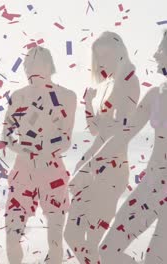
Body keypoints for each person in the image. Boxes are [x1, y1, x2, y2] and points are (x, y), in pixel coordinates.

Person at [64, 31, 140, 264]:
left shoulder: (129, 80)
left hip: (111, 168)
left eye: (107, 54)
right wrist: (88, 104)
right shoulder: (106, 84)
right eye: (99, 57)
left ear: (120, 51)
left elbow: (120, 132)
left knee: (95, 243)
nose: (103, 61)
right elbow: (97, 130)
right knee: (72, 235)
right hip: (93, 165)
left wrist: (87, 168)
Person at [96, 30, 167, 264]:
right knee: (107, 251)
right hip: (151, 187)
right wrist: (87, 170)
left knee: (155, 259)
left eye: (162, 47)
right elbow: (121, 136)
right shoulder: (154, 96)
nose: (156, 54)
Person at [1, 46, 77, 264]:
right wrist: (25, 149)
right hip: (23, 170)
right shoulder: (18, 96)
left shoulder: (67, 96)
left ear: (48, 66)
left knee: (55, 237)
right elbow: (6, 135)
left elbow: (66, 138)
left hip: (52, 170)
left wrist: (45, 150)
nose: (29, 69)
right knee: (12, 233)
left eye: (34, 64)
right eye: (27, 65)